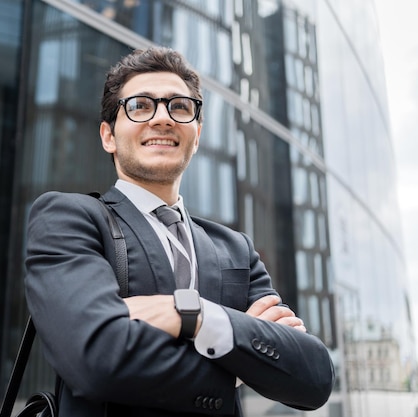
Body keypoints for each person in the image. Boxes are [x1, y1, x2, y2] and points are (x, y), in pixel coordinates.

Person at [24, 46, 334, 417]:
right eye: (140, 106)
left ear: (197, 134)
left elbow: (313, 376)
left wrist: (192, 313)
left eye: (180, 107)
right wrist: (238, 360)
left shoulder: (235, 249)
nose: (162, 119)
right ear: (108, 136)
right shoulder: (69, 218)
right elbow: (96, 358)